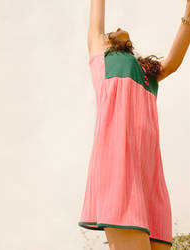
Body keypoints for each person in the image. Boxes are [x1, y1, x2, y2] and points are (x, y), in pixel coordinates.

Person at [78, 0, 190, 249]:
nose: (117, 27)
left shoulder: (147, 72)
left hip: (150, 179)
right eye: (111, 30)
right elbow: (97, 11)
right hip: (120, 173)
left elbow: (172, 62)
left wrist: (188, 15)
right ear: (104, 40)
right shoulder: (101, 56)